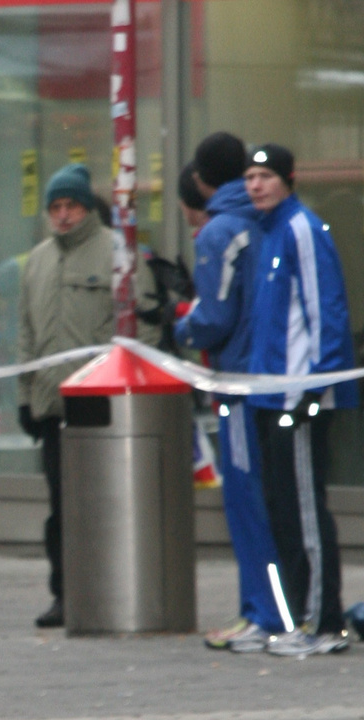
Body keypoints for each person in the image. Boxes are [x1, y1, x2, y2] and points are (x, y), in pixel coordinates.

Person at [16, 163, 162, 628]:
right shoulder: (37, 260)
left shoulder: (118, 255)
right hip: (52, 404)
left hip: (103, 403)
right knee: (62, 509)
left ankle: (110, 589)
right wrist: (25, 397)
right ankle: (65, 594)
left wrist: (129, 385)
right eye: (55, 207)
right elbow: (26, 334)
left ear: (87, 208)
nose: (63, 216)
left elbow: (147, 326)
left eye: (72, 206)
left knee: (105, 505)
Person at [243, 144, 355, 657]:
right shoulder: (265, 233)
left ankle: (324, 623)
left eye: (265, 176)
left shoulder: (302, 230)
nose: (256, 185)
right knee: (283, 511)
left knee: (307, 512)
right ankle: (296, 617)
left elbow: (325, 308)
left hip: (298, 398)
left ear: (288, 178)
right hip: (268, 396)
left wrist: (315, 388)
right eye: (249, 177)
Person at [173, 134, 281, 654]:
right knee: (275, 498)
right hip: (274, 376)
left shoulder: (220, 230)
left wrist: (180, 326)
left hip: (238, 382)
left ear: (199, 180)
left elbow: (214, 319)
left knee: (246, 501)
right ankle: (279, 606)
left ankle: (263, 611)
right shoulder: (267, 220)